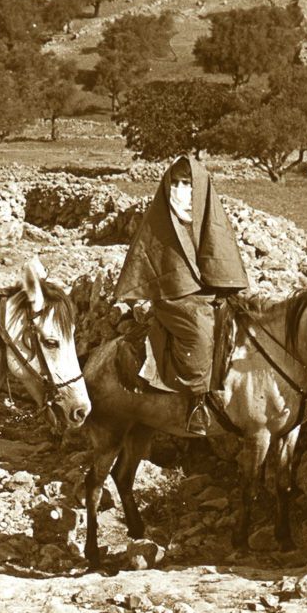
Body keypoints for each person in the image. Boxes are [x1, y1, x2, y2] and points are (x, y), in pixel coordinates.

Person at [113, 155, 248, 436]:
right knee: (199, 332)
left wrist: (224, 286)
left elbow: (220, 255)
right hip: (173, 298)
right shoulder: (158, 220)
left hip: (208, 292)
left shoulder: (209, 216)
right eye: (175, 183)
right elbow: (144, 260)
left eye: (187, 183)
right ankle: (198, 402)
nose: (180, 190)